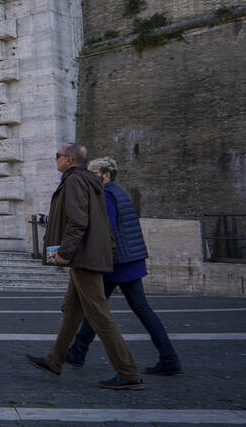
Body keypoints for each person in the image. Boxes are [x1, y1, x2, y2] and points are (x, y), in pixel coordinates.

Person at [25, 143, 144, 390]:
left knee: (99, 314)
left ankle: (128, 371)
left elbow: (78, 221)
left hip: (82, 256)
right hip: (89, 254)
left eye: (57, 155)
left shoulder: (73, 182)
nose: (55, 158)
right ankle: (54, 360)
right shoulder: (91, 183)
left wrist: (65, 253)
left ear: (68, 159)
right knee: (72, 308)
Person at [64, 157, 183, 376]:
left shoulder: (106, 195)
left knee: (98, 309)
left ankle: (79, 352)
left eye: (93, 173)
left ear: (105, 175)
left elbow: (106, 230)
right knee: (129, 309)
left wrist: (92, 256)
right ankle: (169, 358)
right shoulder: (116, 192)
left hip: (116, 262)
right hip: (128, 259)